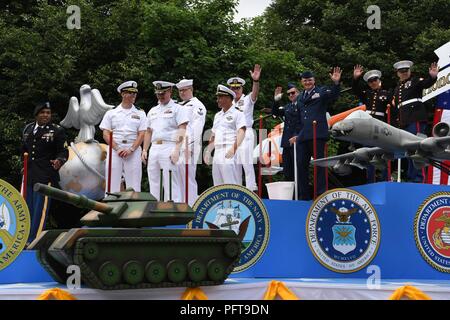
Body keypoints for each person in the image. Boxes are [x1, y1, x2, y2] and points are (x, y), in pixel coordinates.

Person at [22, 102, 69, 244]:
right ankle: (23, 238)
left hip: (46, 175)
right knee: (25, 208)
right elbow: (23, 150)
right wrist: (23, 165)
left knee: (39, 211)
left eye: (48, 113)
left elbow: (64, 151)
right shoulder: (28, 129)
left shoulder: (57, 130)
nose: (45, 115)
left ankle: (34, 241)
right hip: (29, 175)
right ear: (36, 114)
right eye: (42, 112)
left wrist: (59, 161)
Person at [293, 68, 342, 200]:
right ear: (301, 82)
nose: (307, 82)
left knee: (320, 165)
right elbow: (298, 118)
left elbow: (334, 95)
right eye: (305, 80)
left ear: (314, 80)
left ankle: (320, 195)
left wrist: (336, 84)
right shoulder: (300, 97)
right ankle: (304, 196)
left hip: (317, 134)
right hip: (303, 136)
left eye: (309, 80)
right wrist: (297, 134)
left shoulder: (321, 91)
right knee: (301, 166)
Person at [142, 81, 189, 202]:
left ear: (170, 92)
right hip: (154, 148)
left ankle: (174, 211)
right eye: (158, 94)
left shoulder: (178, 108)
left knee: (170, 181)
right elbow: (148, 131)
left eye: (163, 93)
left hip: (169, 146)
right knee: (153, 180)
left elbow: (182, 129)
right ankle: (155, 209)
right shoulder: (153, 110)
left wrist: (177, 150)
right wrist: (145, 150)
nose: (160, 96)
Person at [392, 60, 439, 182]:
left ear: (409, 71)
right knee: (408, 150)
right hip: (404, 122)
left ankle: (419, 178)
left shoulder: (415, 81)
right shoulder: (398, 88)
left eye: (406, 71)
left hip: (415, 118)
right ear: (398, 73)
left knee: (418, 148)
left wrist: (433, 77)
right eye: (401, 72)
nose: (404, 73)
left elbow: (426, 84)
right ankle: (411, 177)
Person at [99, 81, 147, 193]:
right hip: (115, 149)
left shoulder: (140, 113)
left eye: (135, 93)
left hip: (133, 149)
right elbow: (106, 134)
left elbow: (142, 134)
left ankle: (134, 208)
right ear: (123, 94)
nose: (134, 96)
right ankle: (110, 207)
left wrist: (131, 149)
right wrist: (117, 148)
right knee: (112, 182)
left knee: (134, 183)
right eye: (131, 93)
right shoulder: (111, 113)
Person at [352, 66, 394, 182]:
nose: (372, 83)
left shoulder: (387, 93)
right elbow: (355, 90)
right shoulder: (367, 94)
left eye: (374, 80)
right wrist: (356, 78)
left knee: (383, 153)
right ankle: (370, 180)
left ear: (379, 80)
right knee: (368, 153)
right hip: (369, 126)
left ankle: (386, 179)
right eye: (370, 82)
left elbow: (393, 111)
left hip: (382, 126)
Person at [227, 64, 261, 192]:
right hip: (233, 135)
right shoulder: (229, 104)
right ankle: (237, 190)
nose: (235, 90)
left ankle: (251, 189)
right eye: (233, 88)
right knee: (234, 165)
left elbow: (255, 93)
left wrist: (255, 81)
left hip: (246, 133)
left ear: (242, 88)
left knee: (246, 163)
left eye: (238, 88)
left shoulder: (247, 99)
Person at [206, 85, 247, 186]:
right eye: (217, 97)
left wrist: (233, 149)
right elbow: (213, 135)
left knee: (231, 183)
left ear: (228, 98)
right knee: (217, 184)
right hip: (217, 151)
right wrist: (208, 151)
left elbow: (241, 132)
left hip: (230, 149)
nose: (218, 100)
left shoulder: (238, 113)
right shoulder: (217, 115)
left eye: (220, 97)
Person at [175, 79, 207, 206]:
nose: (182, 93)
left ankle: (191, 205)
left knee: (188, 177)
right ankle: (180, 205)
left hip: (188, 145)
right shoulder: (178, 105)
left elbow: (197, 127)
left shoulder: (197, 105)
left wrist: (191, 145)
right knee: (177, 177)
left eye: (185, 90)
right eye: (180, 90)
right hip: (177, 146)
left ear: (191, 90)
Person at [271, 83, 301, 182]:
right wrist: (276, 100)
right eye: (289, 94)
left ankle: (301, 195)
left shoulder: (303, 105)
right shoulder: (288, 106)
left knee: (298, 170)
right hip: (287, 142)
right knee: (287, 170)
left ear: (298, 93)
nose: (291, 95)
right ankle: (291, 195)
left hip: (298, 140)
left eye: (293, 93)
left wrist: (298, 136)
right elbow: (275, 113)